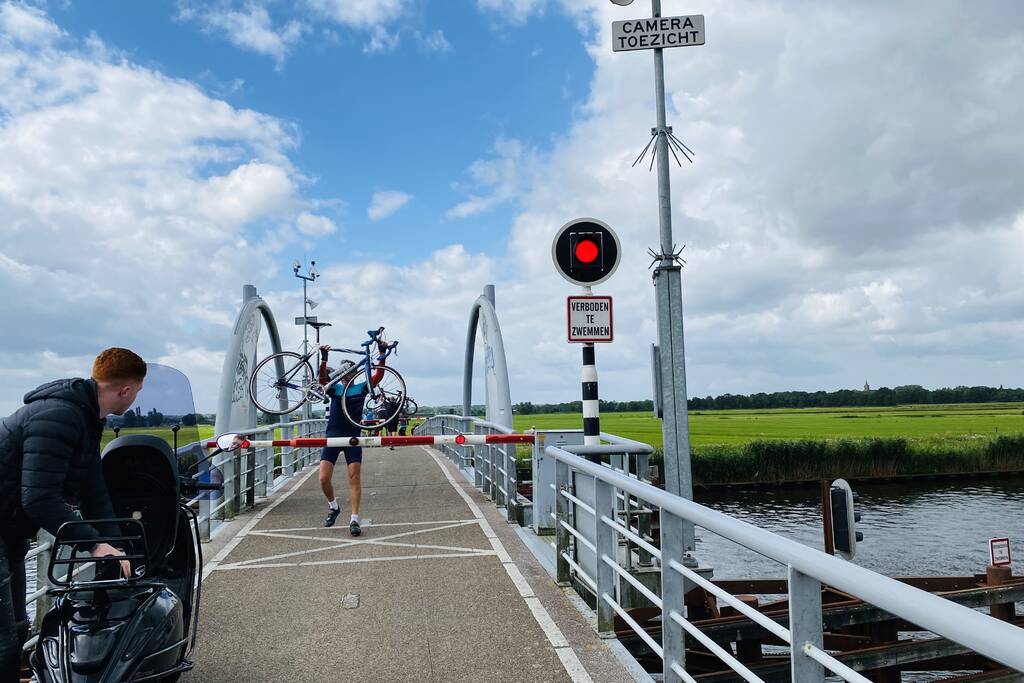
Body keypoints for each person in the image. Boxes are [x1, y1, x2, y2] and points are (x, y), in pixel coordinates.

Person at [1, 348, 143, 681]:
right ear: (126, 390)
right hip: (4, 527)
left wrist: (112, 542)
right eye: (138, 391)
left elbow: (94, 489)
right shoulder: (60, 417)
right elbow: (39, 498)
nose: (136, 398)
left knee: (19, 628)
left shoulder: (86, 417)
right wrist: (94, 545)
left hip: (10, 532)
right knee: (4, 639)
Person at [318, 341, 387, 536]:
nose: (346, 375)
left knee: (354, 477)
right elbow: (322, 380)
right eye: (343, 372)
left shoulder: (361, 388)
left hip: (352, 437)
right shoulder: (335, 389)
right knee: (323, 478)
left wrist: (382, 353)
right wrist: (324, 358)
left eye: (349, 372)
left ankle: (354, 520)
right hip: (332, 436)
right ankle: (334, 506)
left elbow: (379, 375)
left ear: (354, 373)